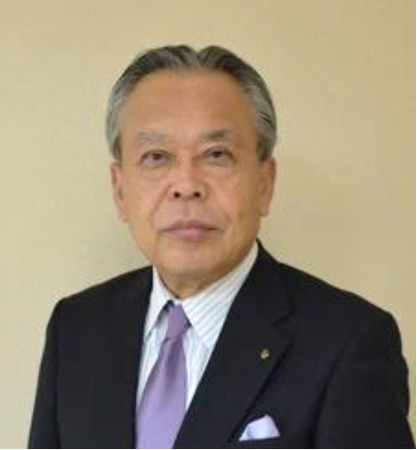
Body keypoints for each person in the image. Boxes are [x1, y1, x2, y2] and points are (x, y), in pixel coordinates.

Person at [28, 45, 414, 449]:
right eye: (156, 157)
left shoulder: (348, 342)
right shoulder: (76, 328)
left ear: (265, 183)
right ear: (120, 189)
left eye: (216, 155)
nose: (186, 185)